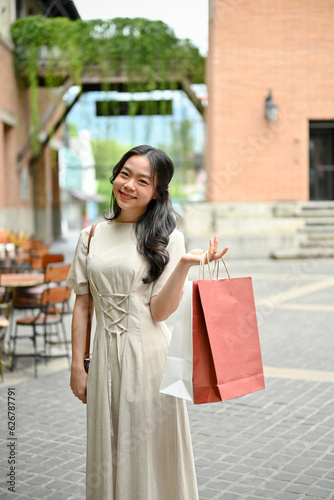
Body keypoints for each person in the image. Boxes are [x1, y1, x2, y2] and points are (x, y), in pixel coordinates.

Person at [66, 145, 228, 500]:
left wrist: (184, 264)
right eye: (125, 174)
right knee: (108, 450)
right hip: (104, 361)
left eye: (143, 181)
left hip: (149, 360)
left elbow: (159, 312)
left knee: (147, 452)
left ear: (157, 192)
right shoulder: (90, 236)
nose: (129, 186)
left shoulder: (167, 238)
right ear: (114, 176)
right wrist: (78, 366)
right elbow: (82, 305)